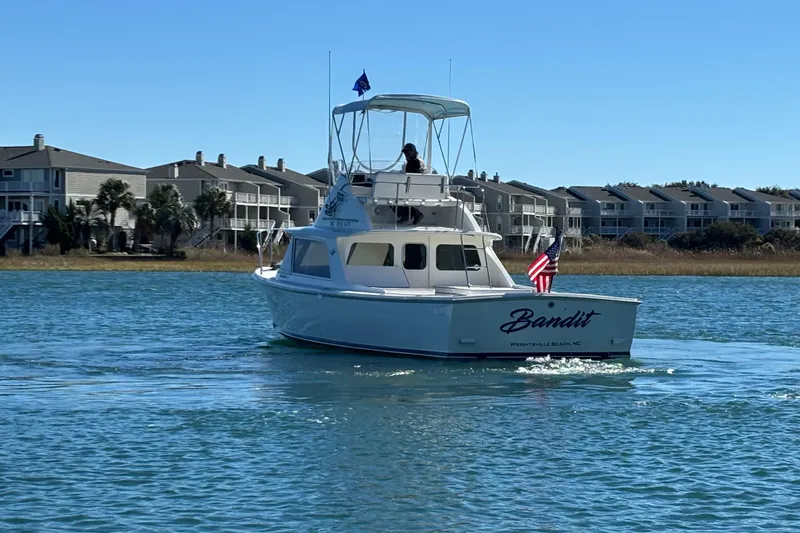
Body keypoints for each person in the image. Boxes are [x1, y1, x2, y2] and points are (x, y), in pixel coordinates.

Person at [394, 143, 425, 225]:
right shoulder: (419, 162)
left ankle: (410, 215)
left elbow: (409, 176)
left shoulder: (413, 162)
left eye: (407, 153)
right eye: (405, 153)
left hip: (412, 189)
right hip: (418, 188)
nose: (406, 155)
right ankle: (410, 215)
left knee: (391, 194)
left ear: (412, 152)